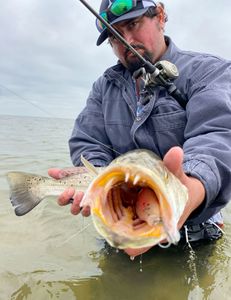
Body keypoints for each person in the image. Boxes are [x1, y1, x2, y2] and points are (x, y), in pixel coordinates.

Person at [48, 0, 231, 256]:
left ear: (160, 16)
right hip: (123, 222)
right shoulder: (104, 87)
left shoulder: (210, 72)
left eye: (133, 24)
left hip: (193, 231)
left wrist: (190, 188)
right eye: (115, 36)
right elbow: (87, 140)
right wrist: (96, 180)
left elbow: (217, 136)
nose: (126, 41)